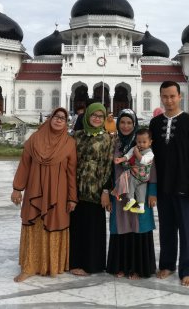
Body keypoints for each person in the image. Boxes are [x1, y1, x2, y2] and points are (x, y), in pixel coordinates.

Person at [149, 81, 189, 287]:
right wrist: (151, 188)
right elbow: (150, 157)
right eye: (165, 96)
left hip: (185, 186)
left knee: (187, 229)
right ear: (161, 97)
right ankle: (167, 264)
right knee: (166, 228)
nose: (169, 100)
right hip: (164, 186)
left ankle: (188, 269)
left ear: (179, 96)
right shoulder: (155, 124)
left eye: (172, 96)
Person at [11, 107, 77, 282]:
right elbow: (24, 165)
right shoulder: (35, 139)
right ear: (50, 118)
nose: (59, 120)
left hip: (58, 194)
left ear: (66, 123)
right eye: (56, 116)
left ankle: (52, 265)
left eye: (63, 118)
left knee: (54, 224)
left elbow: (71, 173)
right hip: (35, 190)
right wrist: (17, 188)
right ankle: (30, 266)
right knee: (34, 224)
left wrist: (72, 197)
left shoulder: (69, 143)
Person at [106, 109, 157, 279]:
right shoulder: (115, 143)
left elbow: (152, 170)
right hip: (120, 193)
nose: (126, 126)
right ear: (118, 124)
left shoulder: (142, 144)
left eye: (129, 122)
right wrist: (106, 192)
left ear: (134, 124)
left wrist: (152, 193)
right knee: (121, 227)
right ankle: (120, 266)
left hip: (140, 190)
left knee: (138, 227)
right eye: (122, 122)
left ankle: (137, 268)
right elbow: (107, 170)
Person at [69, 102, 115, 276]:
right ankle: (74, 262)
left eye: (100, 116)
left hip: (96, 189)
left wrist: (105, 191)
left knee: (94, 228)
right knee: (76, 226)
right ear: (87, 116)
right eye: (94, 115)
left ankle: (92, 264)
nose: (97, 119)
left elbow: (108, 166)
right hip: (77, 187)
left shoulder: (107, 139)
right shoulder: (77, 136)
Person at [113, 128, 154, 213]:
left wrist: (136, 152)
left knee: (131, 184)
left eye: (144, 142)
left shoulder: (150, 153)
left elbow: (143, 160)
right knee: (139, 190)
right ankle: (140, 207)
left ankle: (131, 199)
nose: (141, 144)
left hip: (142, 176)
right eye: (139, 142)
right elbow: (128, 156)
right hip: (138, 175)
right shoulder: (134, 148)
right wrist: (120, 160)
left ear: (150, 142)